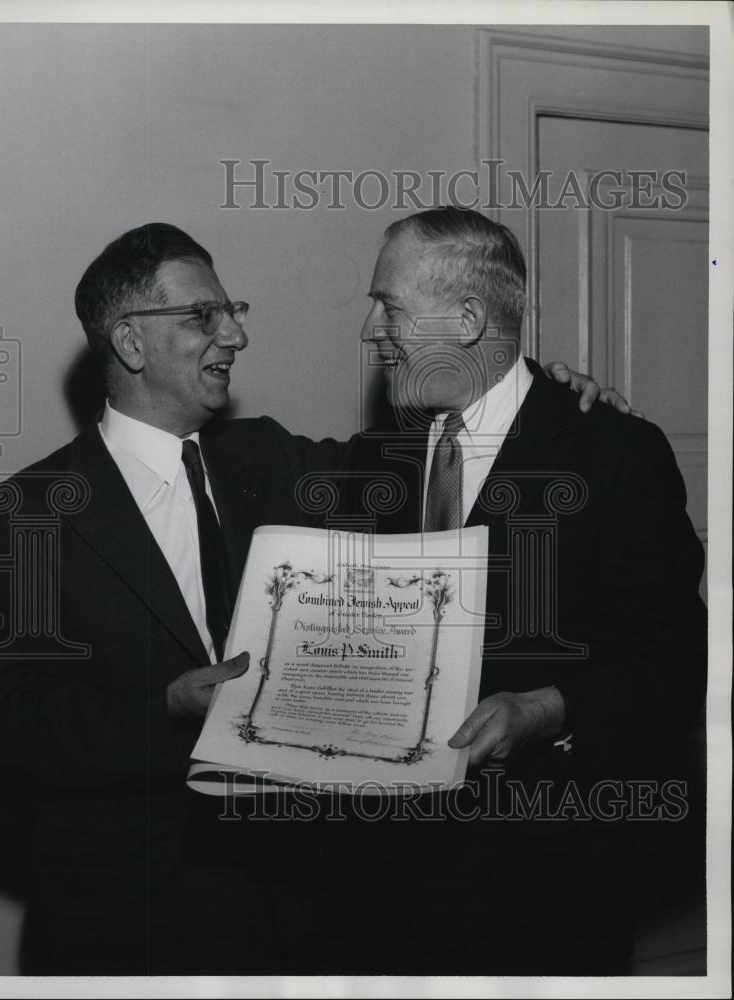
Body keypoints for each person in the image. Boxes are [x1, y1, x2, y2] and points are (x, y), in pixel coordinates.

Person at [0, 221, 629, 975]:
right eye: (202, 316)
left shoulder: (270, 460)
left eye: (233, 308)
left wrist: (543, 395)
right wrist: (167, 709)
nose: (235, 335)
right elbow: (1, 726)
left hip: (299, 912)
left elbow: (461, 453)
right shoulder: (27, 513)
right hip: (127, 920)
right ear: (130, 342)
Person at [323, 206, 707, 974]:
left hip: (547, 877)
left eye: (387, 305)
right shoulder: (378, 457)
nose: (370, 328)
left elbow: (672, 659)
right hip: (387, 875)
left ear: (467, 318)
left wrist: (542, 709)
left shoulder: (612, 450)